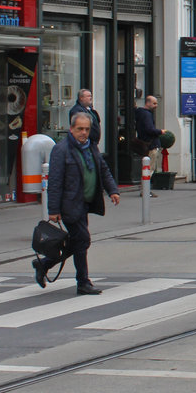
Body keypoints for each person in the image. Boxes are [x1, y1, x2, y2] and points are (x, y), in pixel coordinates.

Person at [35, 112, 120, 295]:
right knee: (83, 240)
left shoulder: (91, 147)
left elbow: (103, 169)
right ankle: (82, 282)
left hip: (85, 203)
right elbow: (55, 181)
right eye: (80, 129)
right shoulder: (61, 149)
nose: (83, 133)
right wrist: (54, 209)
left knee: (79, 241)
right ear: (71, 129)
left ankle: (44, 264)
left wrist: (112, 190)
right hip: (69, 204)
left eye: (87, 129)